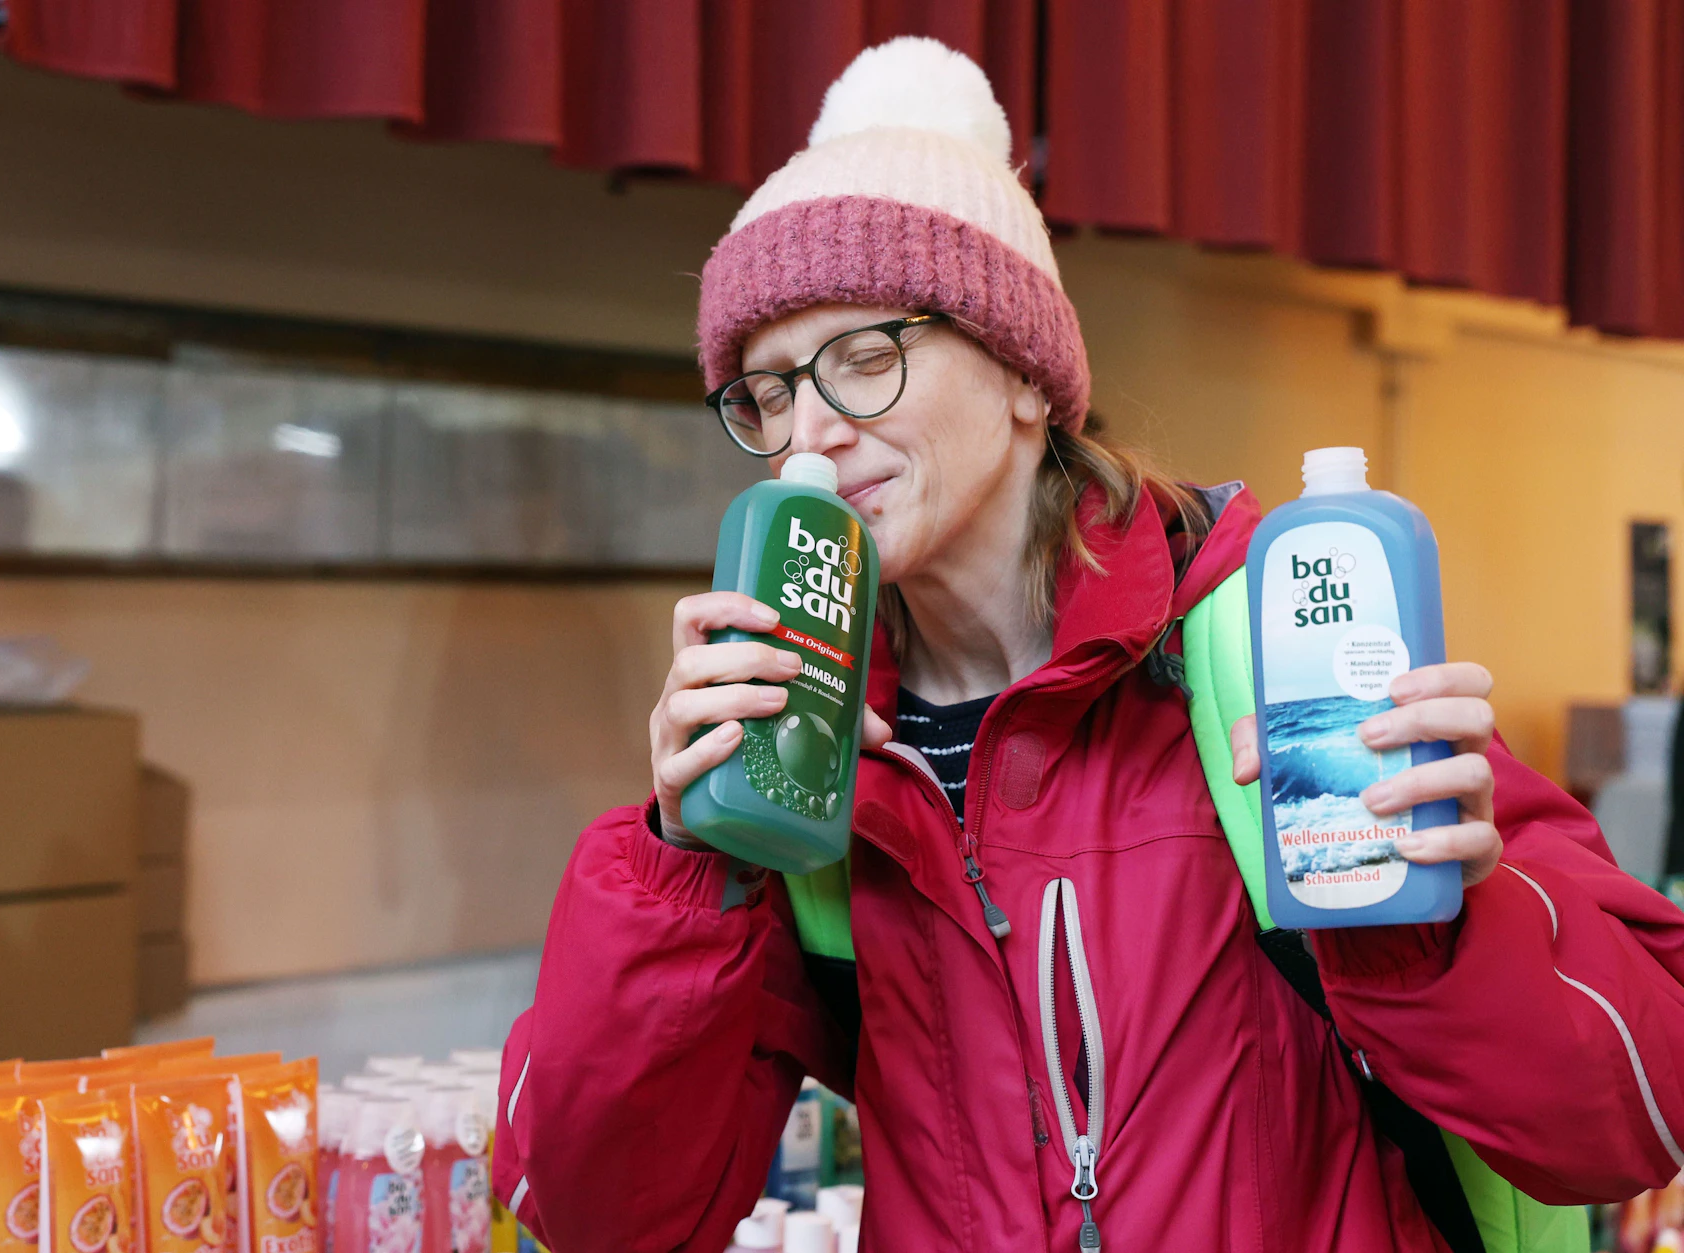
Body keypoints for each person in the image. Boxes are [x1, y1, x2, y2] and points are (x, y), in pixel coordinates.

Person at [489, 38, 1684, 1252]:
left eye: (862, 359)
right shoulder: (801, 766)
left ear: (1021, 372)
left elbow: (1630, 1115)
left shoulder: (1266, 644)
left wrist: (1442, 914)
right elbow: (598, 1215)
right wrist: (685, 855)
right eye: (765, 389)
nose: (809, 432)